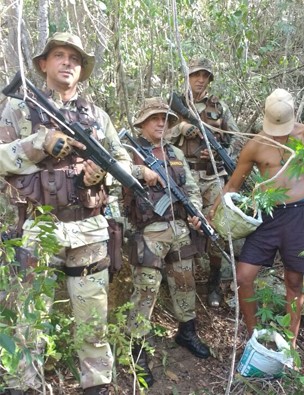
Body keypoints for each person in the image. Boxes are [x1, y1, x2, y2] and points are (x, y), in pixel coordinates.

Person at [0, 32, 126, 395]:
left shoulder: (97, 116)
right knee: (29, 318)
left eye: (74, 56)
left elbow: (122, 160)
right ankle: (23, 384)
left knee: (93, 318)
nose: (67, 61)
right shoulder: (19, 109)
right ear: (44, 64)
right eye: (59, 55)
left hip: (88, 228)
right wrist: (38, 145)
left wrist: (102, 173)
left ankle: (97, 384)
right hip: (38, 228)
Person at [209, 89, 304, 348]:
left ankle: (290, 343)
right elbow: (233, 185)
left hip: (300, 216)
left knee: (294, 280)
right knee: (244, 276)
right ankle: (253, 337)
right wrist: (213, 212)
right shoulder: (255, 144)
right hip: (266, 217)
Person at [123, 97, 212, 387]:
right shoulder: (129, 150)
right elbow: (116, 177)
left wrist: (196, 213)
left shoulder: (174, 151)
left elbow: (191, 187)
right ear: (142, 123)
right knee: (146, 292)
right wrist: (141, 172)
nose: (161, 123)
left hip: (179, 228)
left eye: (164, 118)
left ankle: (186, 332)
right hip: (148, 232)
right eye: (154, 118)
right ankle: (136, 351)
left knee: (185, 283)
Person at [168, 57, 243, 308]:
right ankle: (179, 285)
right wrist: (180, 129)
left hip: (212, 178)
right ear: (187, 77)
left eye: (205, 76)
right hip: (181, 177)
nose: (200, 80)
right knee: (178, 228)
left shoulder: (218, 107)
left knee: (218, 230)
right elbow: (156, 137)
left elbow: (236, 138)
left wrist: (219, 152)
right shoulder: (172, 106)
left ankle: (213, 284)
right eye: (196, 75)